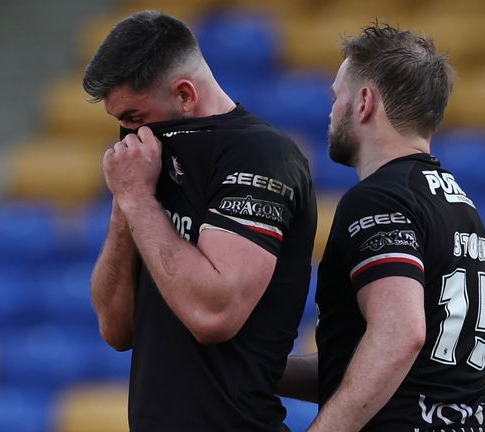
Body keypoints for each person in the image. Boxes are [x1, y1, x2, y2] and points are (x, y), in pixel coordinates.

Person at [83, 11, 317, 431]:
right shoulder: (152, 162)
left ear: (186, 94)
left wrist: (137, 200)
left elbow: (214, 315)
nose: (129, 136)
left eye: (134, 117)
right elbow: (115, 329)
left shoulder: (260, 156)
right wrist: (125, 205)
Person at [278, 24, 485, 431]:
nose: (330, 111)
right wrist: (259, 370)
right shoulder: (459, 203)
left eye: (336, 96)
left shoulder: (378, 199)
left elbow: (399, 335)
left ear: (364, 102)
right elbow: (382, 361)